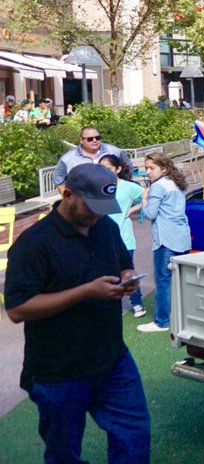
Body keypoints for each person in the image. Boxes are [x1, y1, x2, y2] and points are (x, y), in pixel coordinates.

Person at [4, 163, 188, 464]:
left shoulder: (103, 226)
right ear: (65, 194)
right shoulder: (34, 243)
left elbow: (122, 262)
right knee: (64, 456)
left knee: (133, 435)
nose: (95, 217)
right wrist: (85, 292)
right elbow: (18, 309)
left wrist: (125, 279)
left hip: (111, 359)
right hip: (58, 371)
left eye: (103, 209)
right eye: (89, 207)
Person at [136, 153, 191, 334]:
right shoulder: (176, 184)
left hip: (165, 239)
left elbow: (151, 214)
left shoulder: (158, 186)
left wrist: (144, 201)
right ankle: (181, 317)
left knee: (163, 281)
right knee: (179, 280)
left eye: (152, 168)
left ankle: (162, 321)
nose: (148, 172)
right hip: (182, 236)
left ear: (164, 168)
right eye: (147, 168)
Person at [99, 154, 147, 318]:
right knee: (108, 275)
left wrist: (133, 210)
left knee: (127, 272)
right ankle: (113, 306)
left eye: (108, 168)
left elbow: (147, 195)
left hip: (124, 239)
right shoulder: (98, 187)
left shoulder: (128, 187)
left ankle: (137, 303)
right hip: (103, 239)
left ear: (118, 169)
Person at [52, 126, 131, 189]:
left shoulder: (114, 151)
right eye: (90, 139)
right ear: (81, 140)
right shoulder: (68, 158)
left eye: (97, 138)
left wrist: (124, 188)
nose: (94, 140)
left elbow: (128, 168)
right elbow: (58, 178)